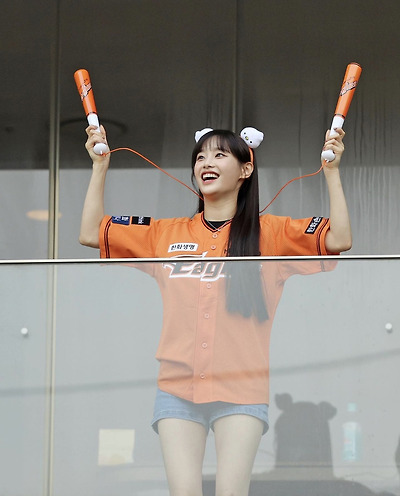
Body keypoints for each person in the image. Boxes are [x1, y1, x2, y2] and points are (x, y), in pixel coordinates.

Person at [80, 124, 352, 496]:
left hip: (242, 388)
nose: (206, 163)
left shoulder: (271, 233)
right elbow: (91, 233)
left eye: (220, 155)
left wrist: (332, 172)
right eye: (200, 157)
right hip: (177, 388)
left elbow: (339, 239)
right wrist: (99, 167)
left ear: (246, 169)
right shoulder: (166, 234)